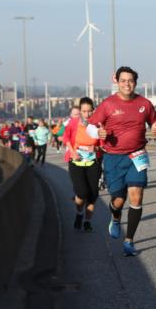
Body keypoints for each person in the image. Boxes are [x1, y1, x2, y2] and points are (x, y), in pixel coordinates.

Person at [88, 66, 156, 257]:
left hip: (136, 155)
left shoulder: (144, 103)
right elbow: (90, 127)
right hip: (113, 158)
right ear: (117, 82)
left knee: (136, 196)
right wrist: (98, 132)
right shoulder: (108, 104)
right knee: (118, 200)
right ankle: (115, 217)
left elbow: (155, 120)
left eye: (130, 80)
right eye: (123, 80)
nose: (127, 84)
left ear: (135, 82)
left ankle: (129, 241)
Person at [63, 98, 102, 232]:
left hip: (93, 163)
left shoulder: (98, 125)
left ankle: (87, 221)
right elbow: (66, 137)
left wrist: (96, 149)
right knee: (81, 193)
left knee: (92, 195)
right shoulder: (73, 123)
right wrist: (73, 151)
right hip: (76, 162)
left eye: (90, 111)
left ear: (93, 110)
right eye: (84, 111)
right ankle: (79, 213)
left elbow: (104, 144)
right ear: (80, 111)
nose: (87, 114)